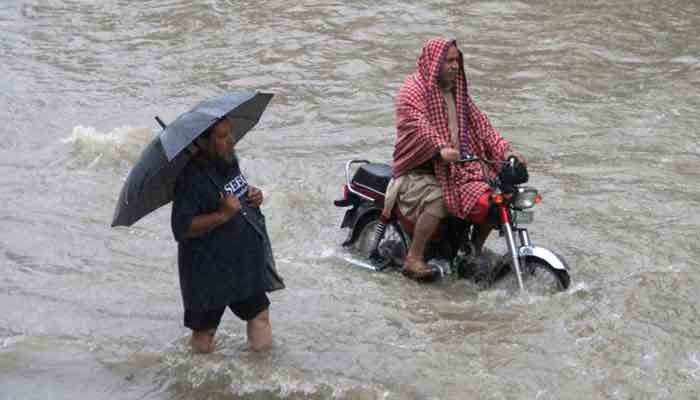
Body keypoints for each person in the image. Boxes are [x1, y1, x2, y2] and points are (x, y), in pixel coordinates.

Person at [383, 37, 526, 279]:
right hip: (419, 171)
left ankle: (470, 252)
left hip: (456, 168)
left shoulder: (458, 93)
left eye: (456, 60)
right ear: (434, 62)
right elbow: (418, 124)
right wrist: (440, 147)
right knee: (440, 200)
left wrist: (507, 152)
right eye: (448, 60)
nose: (454, 65)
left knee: (494, 199)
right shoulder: (413, 89)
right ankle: (414, 258)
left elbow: (483, 127)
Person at [171, 117, 284, 353]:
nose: (231, 140)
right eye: (222, 137)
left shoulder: (229, 161)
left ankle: (262, 373)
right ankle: (194, 386)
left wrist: (253, 195)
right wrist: (222, 215)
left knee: (259, 316)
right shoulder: (190, 178)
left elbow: (236, 194)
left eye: (230, 133)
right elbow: (181, 228)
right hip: (206, 270)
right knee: (205, 334)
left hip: (239, 261)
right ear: (205, 143)